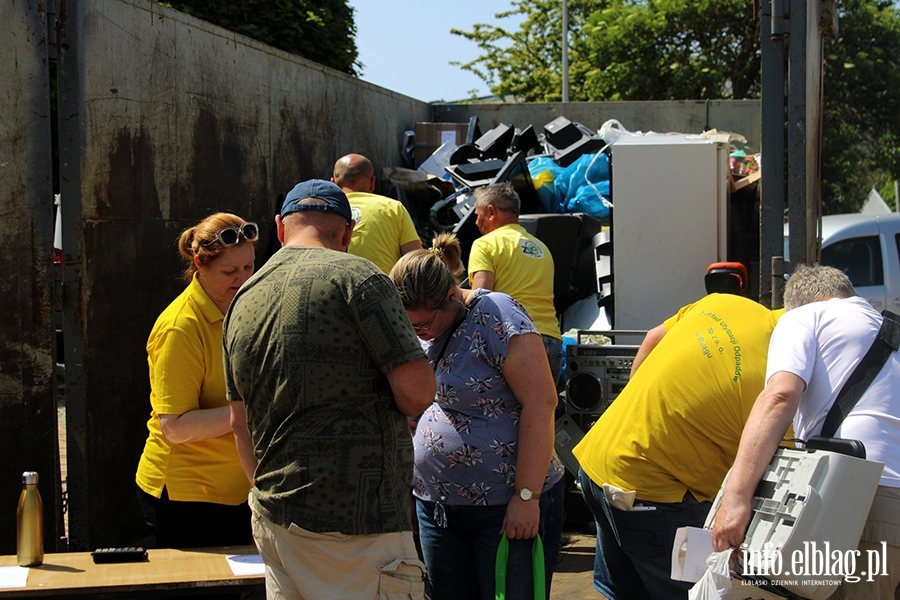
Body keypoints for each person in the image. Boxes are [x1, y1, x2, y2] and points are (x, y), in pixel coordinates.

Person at [224, 179, 436, 599]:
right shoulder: (360, 278)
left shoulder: (242, 298)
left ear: (281, 228)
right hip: (359, 533)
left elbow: (239, 422)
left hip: (275, 520)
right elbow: (417, 394)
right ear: (347, 233)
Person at [389, 232, 566, 600]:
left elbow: (541, 402)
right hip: (437, 505)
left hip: (504, 509)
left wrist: (527, 497)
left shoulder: (497, 314)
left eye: (422, 326)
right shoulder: (423, 323)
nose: (416, 333)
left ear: (452, 297)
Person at [572, 293, 783, 600]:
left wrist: (636, 416)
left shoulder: (726, 304)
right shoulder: (780, 382)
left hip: (598, 464)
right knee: (697, 593)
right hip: (650, 494)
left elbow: (653, 337)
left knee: (625, 591)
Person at [713, 264, 900, 599]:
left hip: (853, 504)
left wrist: (736, 498)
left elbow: (780, 396)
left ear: (794, 303)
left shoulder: (803, 317)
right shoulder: (889, 331)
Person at [135, 212, 257, 550]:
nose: (242, 278)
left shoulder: (243, 308)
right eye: (229, 272)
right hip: (188, 496)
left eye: (248, 267)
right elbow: (174, 426)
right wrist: (254, 410)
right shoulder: (181, 327)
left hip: (236, 489)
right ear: (199, 265)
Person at [467, 183, 563, 385]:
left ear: (491, 211)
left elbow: (480, 299)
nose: (476, 222)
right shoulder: (541, 247)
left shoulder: (485, 244)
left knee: (505, 415)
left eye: (478, 214)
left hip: (513, 340)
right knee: (542, 414)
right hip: (550, 340)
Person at [332, 152, 422, 274]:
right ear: (372, 182)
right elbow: (416, 262)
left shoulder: (325, 211)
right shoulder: (394, 208)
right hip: (385, 290)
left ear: (333, 183)